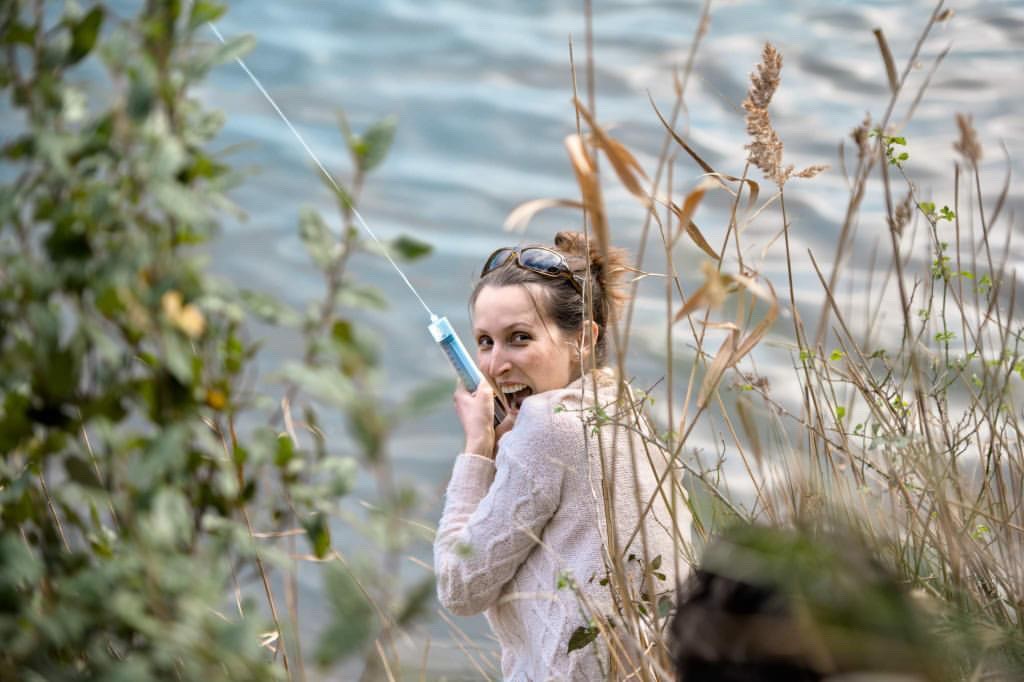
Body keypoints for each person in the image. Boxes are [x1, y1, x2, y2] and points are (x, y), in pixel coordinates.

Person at [433, 231, 690, 680]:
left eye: (519, 338)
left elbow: (459, 588)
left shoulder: (546, 426)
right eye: (485, 342)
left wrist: (478, 450)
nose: (494, 366)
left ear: (585, 338)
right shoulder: (624, 412)